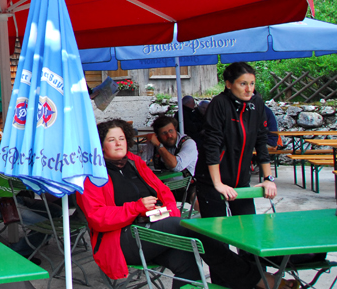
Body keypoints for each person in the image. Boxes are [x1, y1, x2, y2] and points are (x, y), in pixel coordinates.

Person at [76, 119, 294, 289]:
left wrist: (165, 211)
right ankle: (261, 279)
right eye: (111, 139)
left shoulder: (135, 162)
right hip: (121, 239)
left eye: (122, 138)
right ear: (100, 144)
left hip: (152, 229)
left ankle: (252, 279)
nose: (118, 143)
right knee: (189, 228)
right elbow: (97, 218)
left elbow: (164, 192)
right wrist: (136, 208)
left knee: (187, 257)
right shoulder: (91, 174)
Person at [196, 62, 276, 218]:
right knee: (217, 238)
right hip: (212, 181)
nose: (249, 89)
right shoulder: (219, 104)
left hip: (240, 180)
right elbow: (212, 145)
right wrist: (218, 184)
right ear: (229, 84)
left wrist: (268, 179)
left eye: (252, 84)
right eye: (243, 84)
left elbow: (261, 141)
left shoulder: (256, 103)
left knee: (247, 230)